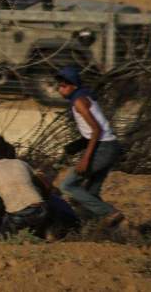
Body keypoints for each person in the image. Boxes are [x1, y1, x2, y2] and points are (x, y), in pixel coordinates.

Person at [56, 66, 124, 227]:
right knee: (90, 193)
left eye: (64, 86)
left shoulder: (79, 102)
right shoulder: (83, 97)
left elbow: (96, 130)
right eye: (59, 85)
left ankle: (110, 213)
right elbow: (92, 132)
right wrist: (74, 147)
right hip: (111, 147)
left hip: (104, 148)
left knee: (68, 186)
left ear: (74, 86)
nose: (60, 89)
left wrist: (85, 159)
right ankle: (105, 229)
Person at [0, 135, 50, 240]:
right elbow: (45, 185)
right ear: (6, 149)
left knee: (2, 238)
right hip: (41, 210)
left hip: (18, 216)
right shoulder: (21, 163)